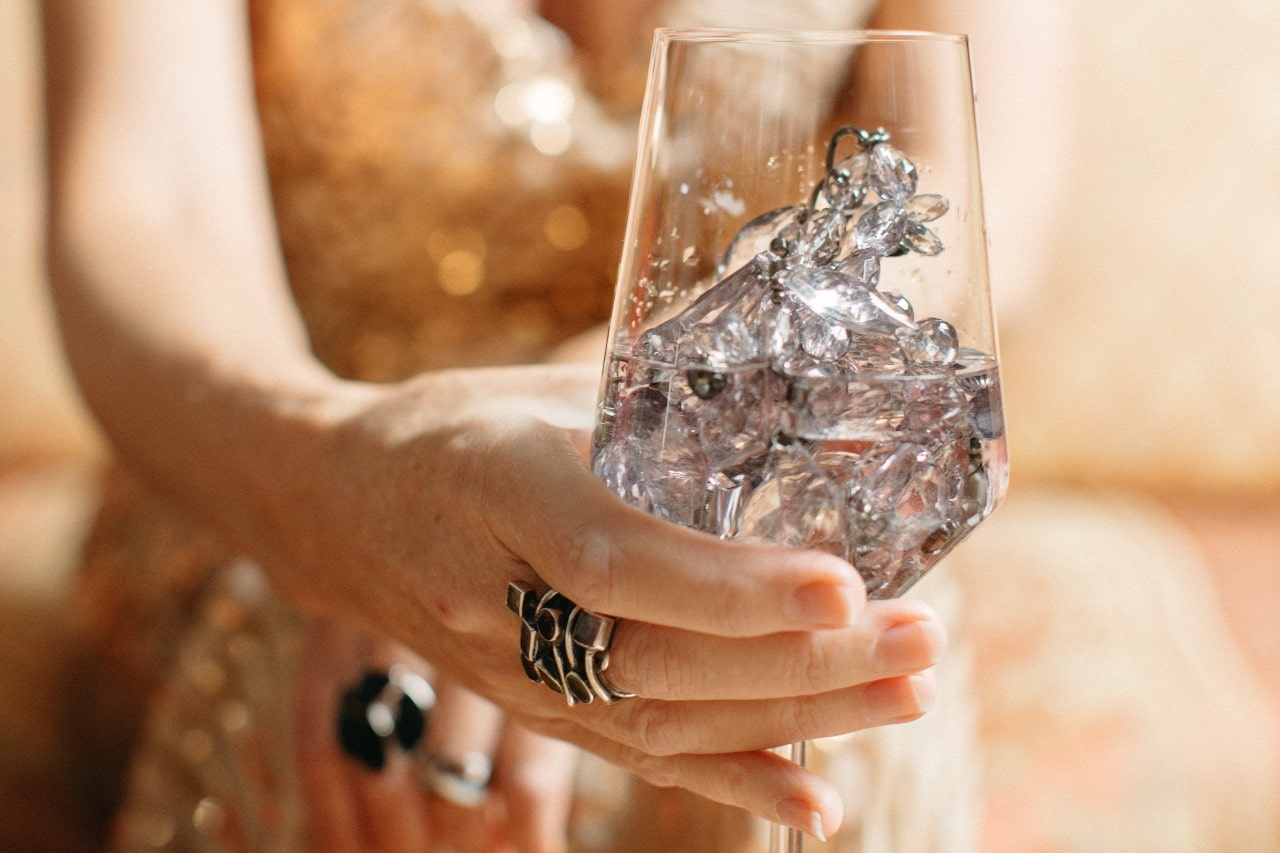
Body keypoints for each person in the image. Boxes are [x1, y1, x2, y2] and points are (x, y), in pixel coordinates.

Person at [42, 1, 968, 849]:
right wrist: (343, 501)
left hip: (739, 430)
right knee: (301, 682)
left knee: (813, 640)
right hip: (275, 447)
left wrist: (601, 436)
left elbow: (952, 206)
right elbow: (153, 203)